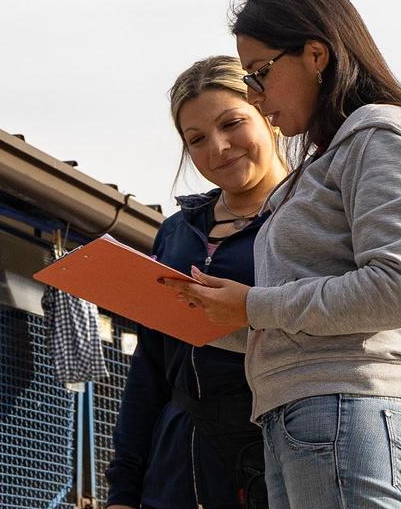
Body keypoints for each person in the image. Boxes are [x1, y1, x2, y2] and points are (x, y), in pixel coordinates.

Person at [166, 0, 401, 508]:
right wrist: (218, 316)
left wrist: (251, 305)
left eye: (260, 73)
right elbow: (307, 321)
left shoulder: (378, 136)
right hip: (310, 414)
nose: (255, 93)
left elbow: (398, 289)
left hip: (344, 409)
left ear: (316, 55)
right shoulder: (329, 160)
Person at [106, 55, 286, 509]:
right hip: (177, 465)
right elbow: (150, 366)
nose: (219, 148)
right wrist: (123, 491)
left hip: (279, 451)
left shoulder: (310, 219)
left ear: (270, 115)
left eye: (233, 123)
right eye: (197, 139)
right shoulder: (175, 232)